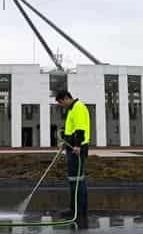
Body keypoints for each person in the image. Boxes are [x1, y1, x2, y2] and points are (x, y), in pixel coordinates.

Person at [55, 90, 89, 227]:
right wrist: (65, 142)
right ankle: (75, 209)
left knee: (77, 180)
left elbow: (80, 129)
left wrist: (77, 145)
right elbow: (70, 130)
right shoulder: (72, 109)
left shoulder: (79, 107)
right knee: (74, 179)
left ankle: (78, 211)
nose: (62, 105)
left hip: (77, 149)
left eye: (61, 102)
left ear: (66, 98)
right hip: (71, 148)